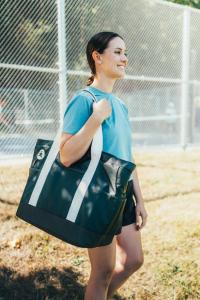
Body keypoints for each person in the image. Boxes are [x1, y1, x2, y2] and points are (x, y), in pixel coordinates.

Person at [59, 32, 148, 300]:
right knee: (103, 271)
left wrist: (139, 199)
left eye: (125, 52)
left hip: (122, 195)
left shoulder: (120, 106)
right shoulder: (84, 100)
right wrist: (95, 119)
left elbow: (126, 157)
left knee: (133, 259)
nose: (125, 58)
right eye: (118, 52)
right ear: (97, 57)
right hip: (97, 197)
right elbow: (66, 155)